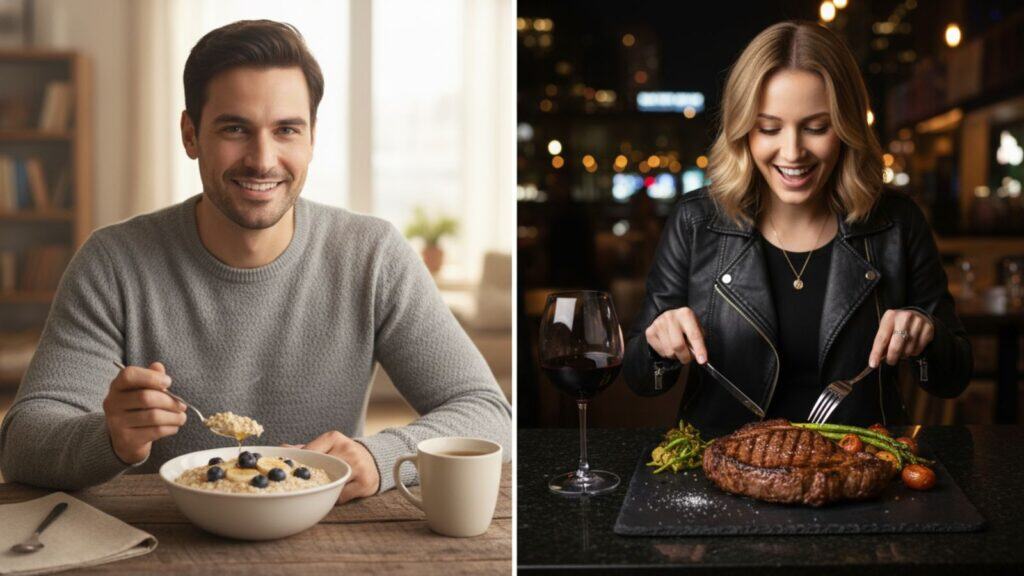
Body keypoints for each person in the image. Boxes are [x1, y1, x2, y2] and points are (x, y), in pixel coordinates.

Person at [0, 20, 511, 500]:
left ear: (312, 137)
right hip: (164, 541)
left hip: (331, 538)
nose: (263, 160)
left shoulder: (373, 255)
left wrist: (379, 459)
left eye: (286, 129)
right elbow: (22, 445)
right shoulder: (113, 264)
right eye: (235, 129)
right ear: (190, 135)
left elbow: (489, 415)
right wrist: (109, 437)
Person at [623, 22, 972, 433]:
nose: (792, 152)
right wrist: (657, 346)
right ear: (742, 130)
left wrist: (926, 335)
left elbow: (954, 379)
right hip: (719, 466)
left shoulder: (897, 222)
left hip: (861, 468)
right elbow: (640, 379)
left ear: (846, 128)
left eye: (816, 127)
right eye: (769, 128)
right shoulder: (695, 222)